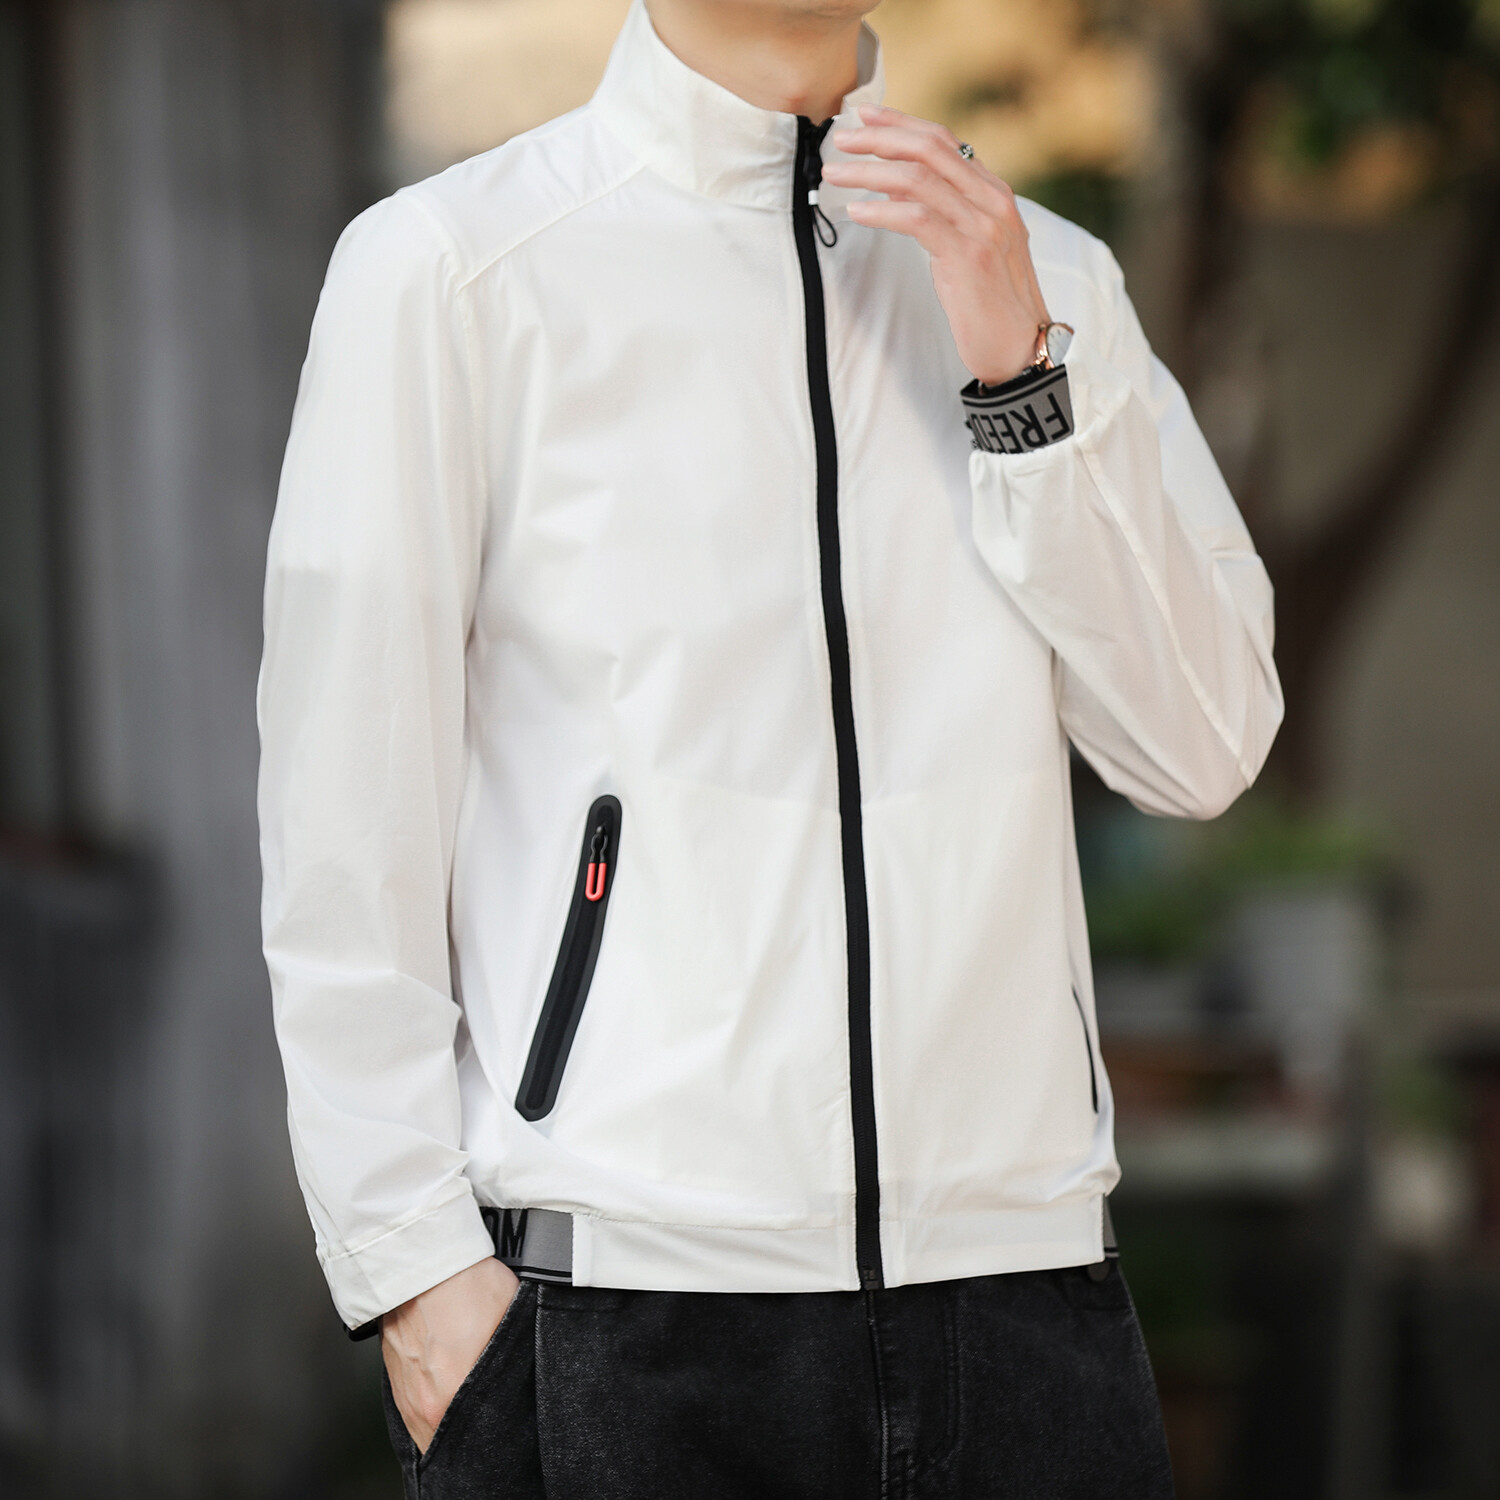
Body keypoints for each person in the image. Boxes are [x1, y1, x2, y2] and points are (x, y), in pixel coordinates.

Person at [258, 0, 1282, 1493]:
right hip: (624, 1313)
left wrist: (1023, 385)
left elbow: (1203, 741)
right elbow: (344, 814)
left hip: (1023, 1304)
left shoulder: (1047, 278)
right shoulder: (455, 269)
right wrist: (414, 1272)